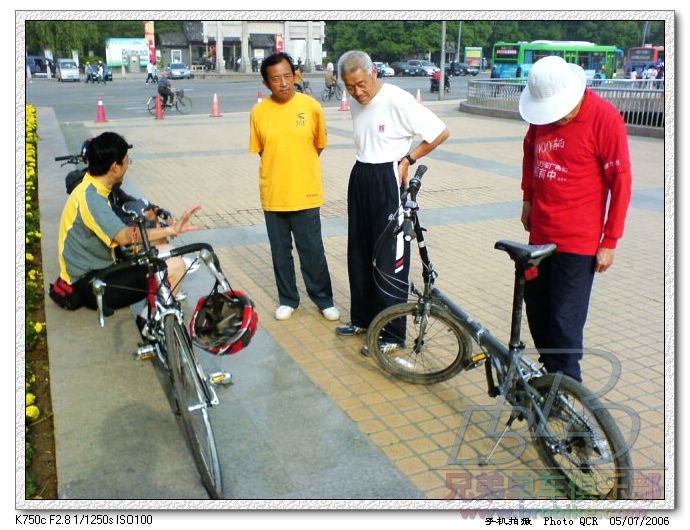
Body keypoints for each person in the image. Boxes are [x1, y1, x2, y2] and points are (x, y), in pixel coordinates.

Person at [518, 55, 632, 382]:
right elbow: (529, 154)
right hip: (540, 234)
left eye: (561, 109)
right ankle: (551, 376)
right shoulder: (541, 116)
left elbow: (621, 182)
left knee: (564, 321)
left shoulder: (604, 118)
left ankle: (568, 391)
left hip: (578, 242)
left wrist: (610, 241)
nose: (557, 116)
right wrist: (528, 199)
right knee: (537, 309)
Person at [335, 50, 449, 350]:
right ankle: (362, 319)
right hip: (361, 174)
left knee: (389, 258)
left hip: (388, 176)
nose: (357, 92)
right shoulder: (358, 100)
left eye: (361, 84)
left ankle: (391, 333)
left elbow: (440, 132)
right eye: (350, 87)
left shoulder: (397, 98)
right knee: (358, 251)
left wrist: (408, 158)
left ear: (374, 73)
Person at [55, 132, 201, 316]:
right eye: (126, 161)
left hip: (97, 270)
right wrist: (171, 228)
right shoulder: (90, 197)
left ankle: (156, 316)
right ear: (115, 167)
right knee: (174, 266)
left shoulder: (92, 186)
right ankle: (149, 321)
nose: (127, 166)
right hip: (90, 285)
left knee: (169, 251)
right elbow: (124, 237)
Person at [249, 52, 339, 322]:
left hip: (306, 193)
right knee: (280, 253)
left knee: (312, 251)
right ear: (267, 83)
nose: (284, 83)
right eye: (276, 79)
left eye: (288, 76)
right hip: (274, 194)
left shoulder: (311, 107)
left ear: (295, 75)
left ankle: (324, 299)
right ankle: (288, 299)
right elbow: (262, 150)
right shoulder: (259, 112)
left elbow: (319, 144)